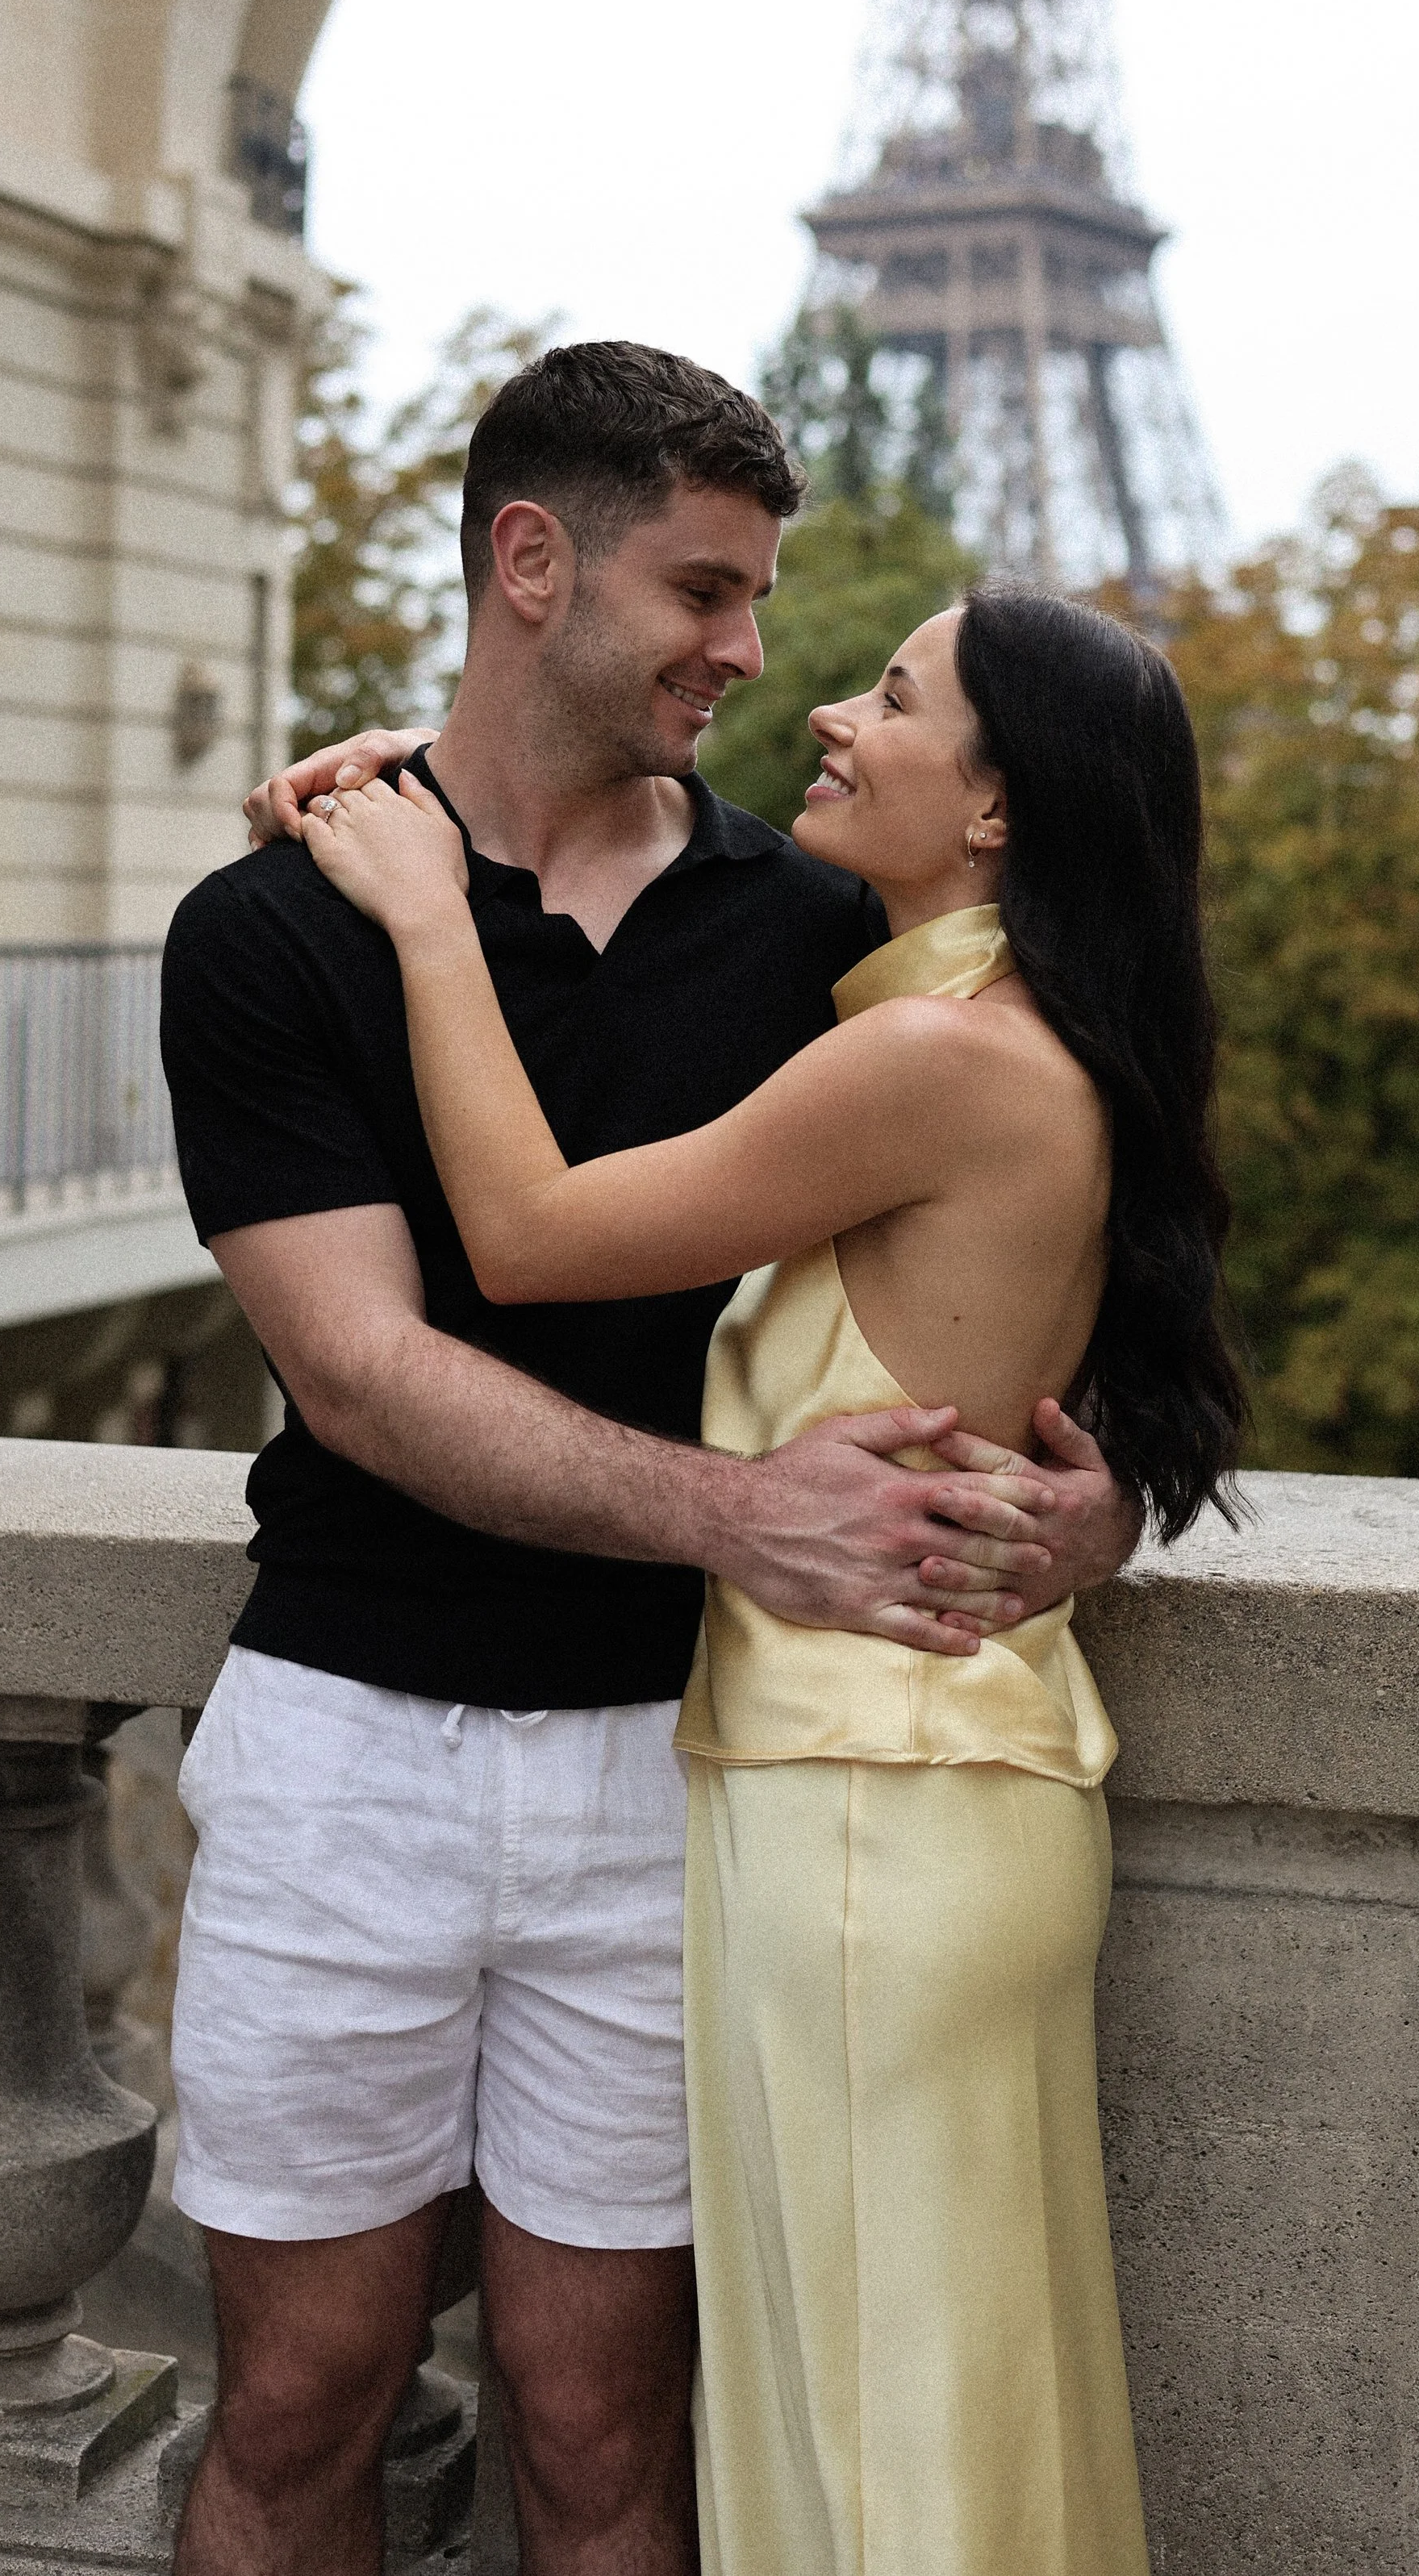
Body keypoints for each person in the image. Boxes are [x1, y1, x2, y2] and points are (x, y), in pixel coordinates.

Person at [157, 340, 1141, 2576]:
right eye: (702, 589)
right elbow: (365, 1377)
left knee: (608, 2432)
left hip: (669, 1772)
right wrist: (743, 1513)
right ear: (532, 563)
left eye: (767, 603)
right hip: (345, 1746)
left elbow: (1077, 1219)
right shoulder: (272, 927)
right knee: (297, 2402)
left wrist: (1099, 1494)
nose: (749, 653)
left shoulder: (813, 934)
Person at [302, 581, 1246, 2576]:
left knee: (875, 2454)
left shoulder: (948, 1062)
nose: (825, 707)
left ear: (993, 812)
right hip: (908, 1796)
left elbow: (534, 1232)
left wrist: (417, 912)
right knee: (948, 2421)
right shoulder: (999, 1030)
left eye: (890, 696)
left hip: (863, 1819)